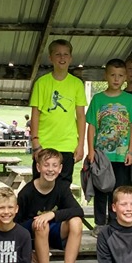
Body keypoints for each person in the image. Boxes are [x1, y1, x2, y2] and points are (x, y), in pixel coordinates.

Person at [15, 147, 84, 263]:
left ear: (60, 169)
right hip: (32, 233)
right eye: (46, 165)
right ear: (38, 167)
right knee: (41, 223)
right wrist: (27, 249)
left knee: (76, 222)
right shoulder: (27, 192)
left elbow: (78, 210)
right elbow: (16, 225)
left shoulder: (61, 188)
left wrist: (53, 214)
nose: (50, 169)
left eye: (54, 165)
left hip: (53, 232)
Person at [85, 58, 132, 231]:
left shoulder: (130, 100)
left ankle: (116, 222)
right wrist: (91, 151)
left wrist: (131, 151)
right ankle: (99, 224)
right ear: (105, 76)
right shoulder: (98, 99)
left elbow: (131, 126)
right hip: (101, 155)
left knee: (119, 191)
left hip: (122, 155)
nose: (116, 79)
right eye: (113, 75)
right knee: (102, 189)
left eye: (120, 75)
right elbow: (91, 126)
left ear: (125, 77)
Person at [29, 39, 87, 182]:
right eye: (58, 54)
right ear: (51, 58)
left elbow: (80, 116)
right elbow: (35, 114)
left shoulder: (77, 84)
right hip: (45, 143)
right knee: (41, 184)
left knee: (63, 186)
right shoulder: (41, 83)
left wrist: (80, 145)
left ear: (70, 58)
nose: (62, 58)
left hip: (67, 145)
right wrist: (35, 142)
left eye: (66, 54)